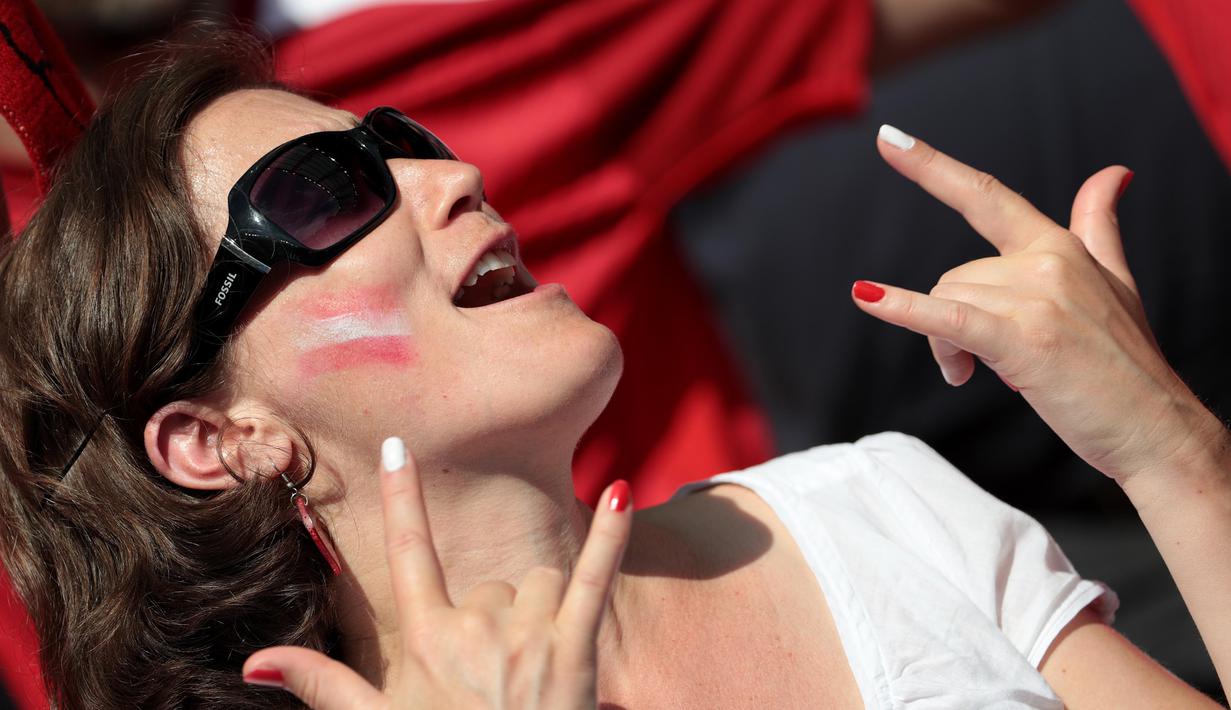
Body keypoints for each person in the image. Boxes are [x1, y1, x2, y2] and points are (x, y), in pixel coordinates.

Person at [0, 33, 1227, 710]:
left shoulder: (873, 507)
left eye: (405, 144)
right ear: (217, 437)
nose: (450, 177)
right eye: (322, 194)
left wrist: (1171, 452)